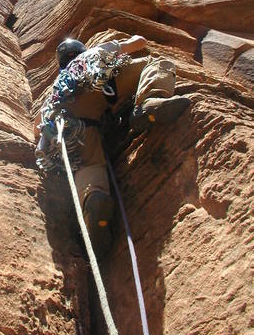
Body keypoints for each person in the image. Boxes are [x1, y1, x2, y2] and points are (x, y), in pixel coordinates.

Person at [34, 35, 190, 255]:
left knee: (89, 165)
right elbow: (140, 43)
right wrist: (127, 41)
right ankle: (149, 101)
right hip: (104, 84)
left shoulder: (56, 88)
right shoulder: (93, 53)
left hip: (74, 120)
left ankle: (93, 201)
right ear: (80, 50)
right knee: (154, 63)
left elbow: (37, 127)